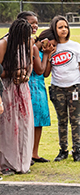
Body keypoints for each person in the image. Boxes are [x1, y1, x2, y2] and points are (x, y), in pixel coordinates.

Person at [46, 15, 80, 162]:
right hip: (58, 88)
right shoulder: (52, 47)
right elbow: (47, 71)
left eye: (66, 27)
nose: (64, 30)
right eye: (60, 27)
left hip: (74, 88)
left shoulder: (76, 46)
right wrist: (48, 54)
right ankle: (63, 150)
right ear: (54, 29)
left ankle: (77, 150)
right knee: (62, 120)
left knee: (75, 120)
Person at [0, 18, 34, 175]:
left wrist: (26, 74)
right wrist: (12, 72)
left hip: (22, 89)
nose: (25, 40)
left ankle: (22, 161)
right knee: (9, 128)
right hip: (8, 89)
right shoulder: (4, 44)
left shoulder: (28, 42)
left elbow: (31, 64)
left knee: (24, 125)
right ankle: (6, 163)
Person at [29, 29, 57, 163]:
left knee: (39, 121)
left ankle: (35, 152)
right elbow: (39, 70)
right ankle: (28, 152)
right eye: (52, 44)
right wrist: (46, 55)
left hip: (39, 87)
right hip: (31, 86)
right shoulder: (34, 49)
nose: (53, 47)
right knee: (30, 120)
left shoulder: (43, 53)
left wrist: (49, 56)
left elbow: (45, 74)